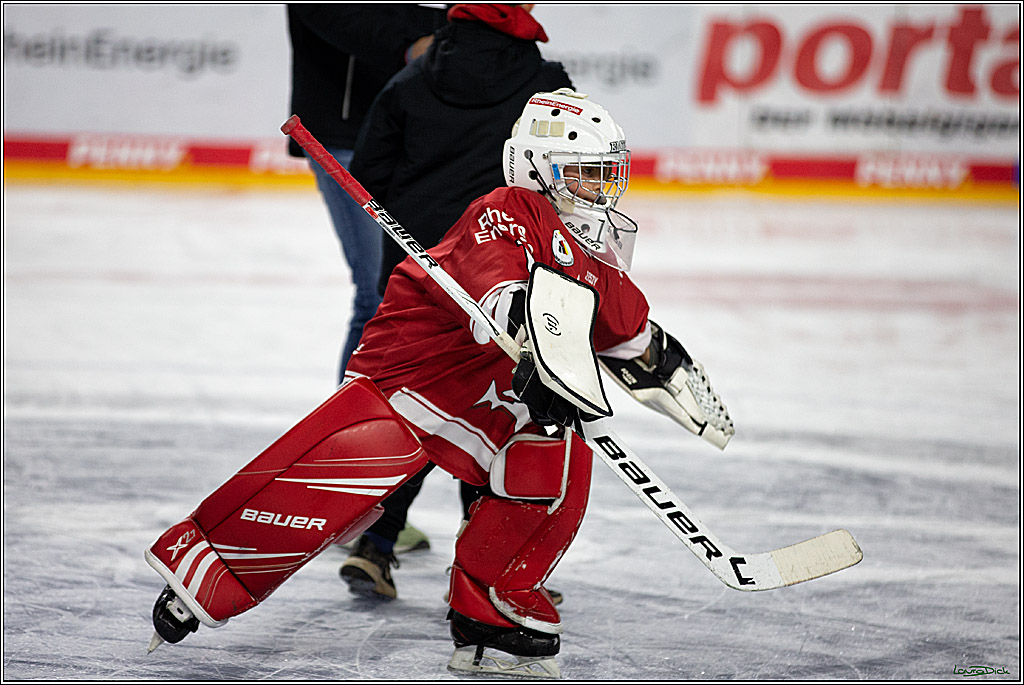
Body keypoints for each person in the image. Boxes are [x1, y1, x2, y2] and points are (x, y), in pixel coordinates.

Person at [340, 88, 678, 676]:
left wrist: (652, 354)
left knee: (556, 457)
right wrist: (527, 325)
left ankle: (490, 604)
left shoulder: (584, 235)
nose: (602, 188)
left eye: (608, 173)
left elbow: (617, 316)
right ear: (539, 168)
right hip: (423, 378)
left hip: (481, 387)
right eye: (586, 173)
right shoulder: (503, 209)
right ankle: (403, 559)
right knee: (513, 458)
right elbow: (496, 281)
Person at [338, 2, 573, 602]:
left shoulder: (413, 76)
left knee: (418, 407)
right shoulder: (545, 83)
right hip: (505, 276)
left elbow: (370, 172)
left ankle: (376, 542)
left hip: (421, 274)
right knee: (500, 411)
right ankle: (485, 563)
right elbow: (568, 176)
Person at [286, 4, 447, 380]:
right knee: (378, 293)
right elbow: (332, 15)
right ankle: (352, 412)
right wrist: (409, 48)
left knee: (427, 294)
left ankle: (407, 405)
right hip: (347, 135)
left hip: (420, 131)